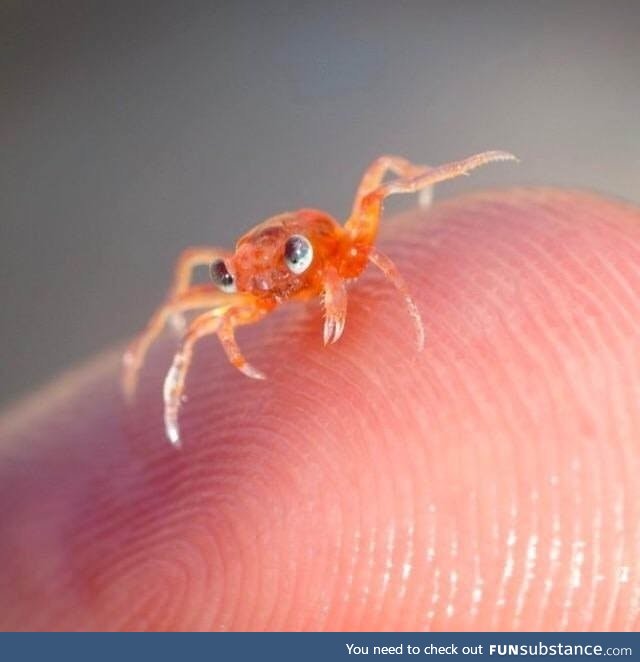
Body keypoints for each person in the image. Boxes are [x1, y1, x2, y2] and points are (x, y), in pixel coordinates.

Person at [1, 188, 638, 631]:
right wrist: (167, 340)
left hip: (326, 254)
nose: (254, 289)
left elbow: (372, 206)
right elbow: (204, 298)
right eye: (231, 280)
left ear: (303, 255)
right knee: (192, 324)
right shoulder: (251, 282)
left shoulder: (334, 254)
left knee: (377, 180)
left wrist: (343, 281)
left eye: (288, 265)